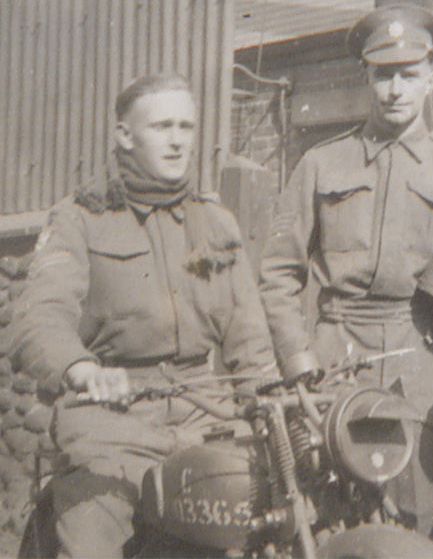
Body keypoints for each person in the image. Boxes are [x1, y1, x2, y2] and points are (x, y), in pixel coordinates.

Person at [259, 4, 433, 540]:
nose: (396, 89)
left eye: (409, 75)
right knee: (325, 521)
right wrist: (299, 358)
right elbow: (276, 272)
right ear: (366, 77)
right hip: (335, 361)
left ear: (432, 77)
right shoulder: (321, 164)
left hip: (421, 366)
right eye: (384, 75)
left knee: (415, 527)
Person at [7, 74, 274, 558]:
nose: (177, 141)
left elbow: (249, 336)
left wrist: (269, 401)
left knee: (271, 523)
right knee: (92, 537)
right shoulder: (79, 219)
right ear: (125, 136)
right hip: (110, 419)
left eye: (186, 127)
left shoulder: (215, 222)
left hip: (206, 412)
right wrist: (80, 368)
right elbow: (39, 318)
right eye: (162, 127)